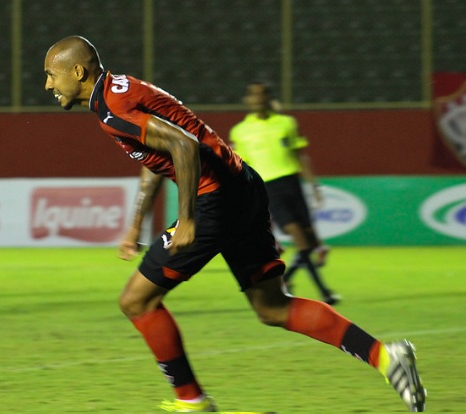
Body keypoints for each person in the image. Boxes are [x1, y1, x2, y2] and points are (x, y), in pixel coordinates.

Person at [43, 36, 426, 412]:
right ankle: (385, 357)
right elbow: (158, 157)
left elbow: (183, 147)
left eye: (51, 75)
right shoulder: (118, 92)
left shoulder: (113, 109)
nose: (48, 84)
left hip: (216, 200)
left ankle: (191, 400)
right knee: (273, 307)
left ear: (78, 71)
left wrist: (189, 218)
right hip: (243, 187)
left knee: (137, 301)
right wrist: (135, 226)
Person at [229, 82, 337, 305]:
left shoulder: (287, 123)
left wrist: (314, 186)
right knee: (302, 242)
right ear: (247, 100)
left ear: (269, 98)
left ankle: (291, 283)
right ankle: (321, 291)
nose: (258, 99)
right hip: (269, 188)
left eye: (262, 95)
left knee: (310, 241)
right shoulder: (240, 131)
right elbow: (241, 168)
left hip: (293, 185)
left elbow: (300, 155)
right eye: (254, 95)